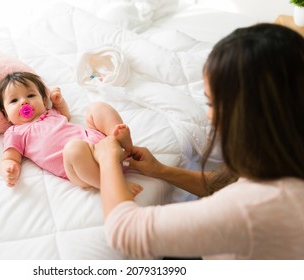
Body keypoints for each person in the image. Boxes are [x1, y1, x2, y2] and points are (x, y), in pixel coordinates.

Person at [93, 23, 304, 259]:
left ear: (249, 113)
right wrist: (160, 170)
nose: (209, 115)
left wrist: (107, 160)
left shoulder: (252, 209)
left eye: (212, 104)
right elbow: (227, 185)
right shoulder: (287, 154)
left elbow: (125, 231)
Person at [0, 71, 142, 195]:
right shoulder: (15, 132)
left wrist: (58, 102)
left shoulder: (49, 112)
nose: (24, 102)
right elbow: (10, 158)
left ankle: (123, 143)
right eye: (14, 100)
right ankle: (111, 185)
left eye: (31, 96)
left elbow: (66, 115)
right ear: (5, 114)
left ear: (44, 101)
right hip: (81, 167)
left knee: (96, 108)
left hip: (102, 144)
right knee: (73, 148)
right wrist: (8, 169)